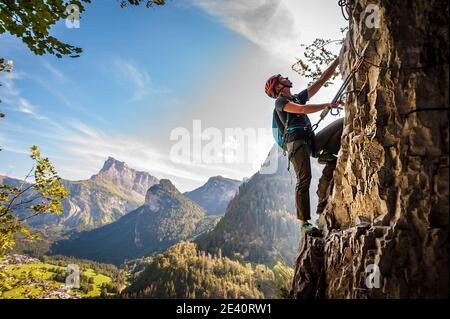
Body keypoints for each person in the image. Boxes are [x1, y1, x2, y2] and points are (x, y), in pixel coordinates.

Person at [265, 58, 344, 234]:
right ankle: (304, 223)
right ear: (278, 87)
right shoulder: (280, 102)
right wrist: (327, 105)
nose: (286, 77)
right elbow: (300, 110)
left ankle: (326, 155)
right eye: (281, 78)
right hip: (296, 143)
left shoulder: (297, 97)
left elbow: (321, 80)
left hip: (310, 140)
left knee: (342, 123)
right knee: (304, 179)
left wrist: (338, 60)